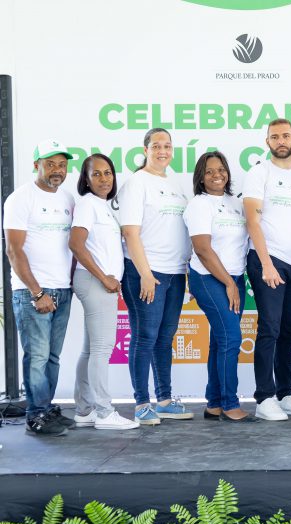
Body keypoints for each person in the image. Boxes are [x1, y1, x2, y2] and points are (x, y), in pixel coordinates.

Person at [115, 128, 193, 425]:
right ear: (145, 149)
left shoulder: (176, 183)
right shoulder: (136, 183)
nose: (163, 150)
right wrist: (145, 274)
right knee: (144, 336)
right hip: (146, 272)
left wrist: (185, 269)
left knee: (164, 338)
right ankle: (141, 403)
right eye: (157, 145)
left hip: (175, 273)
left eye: (168, 146)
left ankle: (163, 399)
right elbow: (130, 232)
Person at [243, 119, 291, 421]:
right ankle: (264, 398)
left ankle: (285, 393)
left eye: (286, 135)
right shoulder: (259, 172)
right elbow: (253, 220)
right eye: (275, 137)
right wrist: (267, 263)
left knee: (289, 330)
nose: (281, 141)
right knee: (270, 329)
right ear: (267, 141)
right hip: (269, 260)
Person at [4, 139, 76, 436]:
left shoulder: (68, 199)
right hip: (32, 291)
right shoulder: (21, 198)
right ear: (37, 166)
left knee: (52, 357)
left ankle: (47, 409)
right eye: (50, 164)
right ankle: (36, 416)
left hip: (62, 289)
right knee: (36, 356)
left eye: (62, 165)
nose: (57, 170)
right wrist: (37, 292)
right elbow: (13, 250)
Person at [184, 151, 257, 423]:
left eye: (221, 170)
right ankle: (230, 404)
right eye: (210, 171)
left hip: (235, 278)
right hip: (208, 278)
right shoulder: (199, 205)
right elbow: (202, 249)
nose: (217, 175)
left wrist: (235, 281)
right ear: (200, 178)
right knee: (231, 339)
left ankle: (214, 403)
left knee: (219, 340)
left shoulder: (236, 203)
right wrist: (229, 283)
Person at [69, 154, 139, 430]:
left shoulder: (104, 206)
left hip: (98, 282)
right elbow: (76, 244)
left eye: (107, 173)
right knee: (101, 348)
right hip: (95, 282)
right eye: (96, 174)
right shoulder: (88, 204)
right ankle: (103, 412)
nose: (103, 179)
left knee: (90, 349)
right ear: (85, 179)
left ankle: (85, 410)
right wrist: (105, 278)